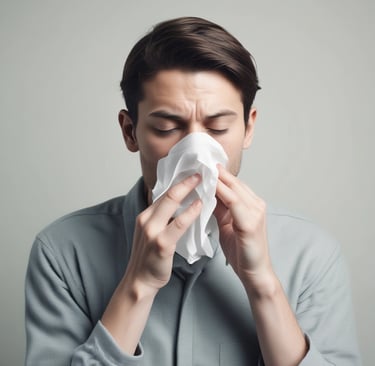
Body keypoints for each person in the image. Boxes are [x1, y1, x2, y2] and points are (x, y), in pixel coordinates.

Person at [24, 16, 361, 366]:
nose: (196, 152)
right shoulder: (63, 252)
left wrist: (263, 285)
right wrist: (137, 285)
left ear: (248, 129)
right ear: (130, 132)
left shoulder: (312, 254)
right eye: (167, 127)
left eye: (218, 127)